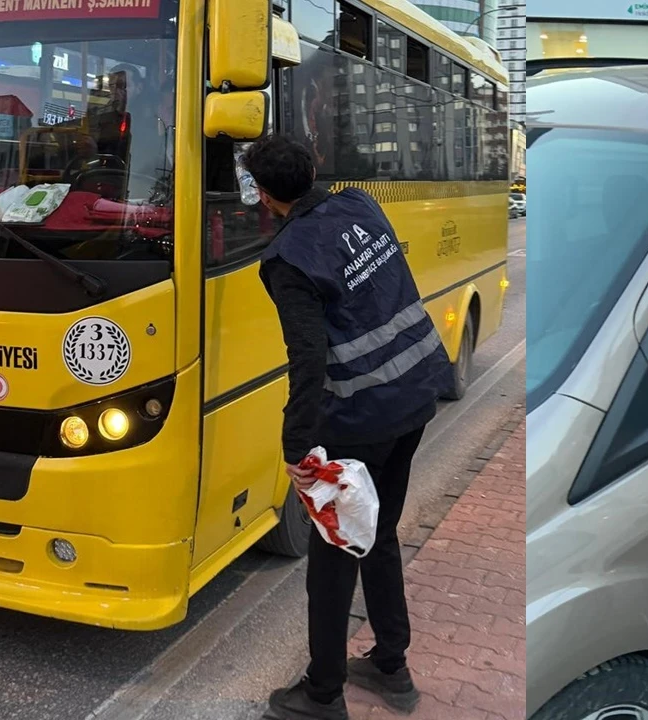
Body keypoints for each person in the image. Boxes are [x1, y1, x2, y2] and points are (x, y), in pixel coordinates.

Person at [242, 134, 452, 720]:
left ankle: (323, 692)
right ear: (314, 168)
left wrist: (295, 444)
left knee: (334, 555)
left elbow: (307, 359)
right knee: (378, 536)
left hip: (358, 420)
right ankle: (392, 667)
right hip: (416, 395)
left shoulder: (286, 259)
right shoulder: (361, 203)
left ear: (263, 195)